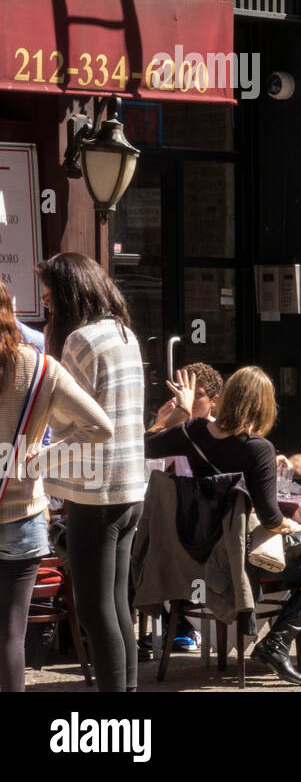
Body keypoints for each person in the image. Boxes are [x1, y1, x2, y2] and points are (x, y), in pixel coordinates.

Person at [145, 366, 301, 683]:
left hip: (197, 552)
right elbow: (270, 518)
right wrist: (296, 527)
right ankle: (276, 644)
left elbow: (146, 443)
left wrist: (178, 414)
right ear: (265, 407)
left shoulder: (193, 432)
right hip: (238, 561)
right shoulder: (258, 448)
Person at [38, 252, 148, 693]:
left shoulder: (80, 340)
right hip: (129, 487)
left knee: (93, 609)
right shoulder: (123, 334)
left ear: (68, 291)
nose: (45, 300)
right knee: (117, 603)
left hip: (95, 491)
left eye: (49, 292)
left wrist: (36, 459)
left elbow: (78, 421)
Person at [0, 279, 113, 692]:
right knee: (11, 632)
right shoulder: (43, 367)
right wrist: (42, 460)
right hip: (23, 516)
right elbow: (101, 427)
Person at [146, 361, 224, 652]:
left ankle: (181, 624)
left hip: (210, 531)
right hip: (176, 526)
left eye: (197, 395)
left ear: (214, 400)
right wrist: (162, 421)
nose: (187, 401)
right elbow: (143, 464)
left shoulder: (218, 433)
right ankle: (171, 622)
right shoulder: (174, 432)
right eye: (181, 394)